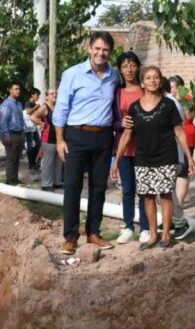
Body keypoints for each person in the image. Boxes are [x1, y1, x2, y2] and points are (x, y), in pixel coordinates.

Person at [112, 66, 195, 250]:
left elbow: (179, 131)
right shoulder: (134, 108)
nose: (152, 81)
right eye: (148, 78)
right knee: (147, 196)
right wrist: (116, 161)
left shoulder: (168, 105)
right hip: (143, 158)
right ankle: (152, 235)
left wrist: (189, 157)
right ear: (142, 83)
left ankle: (166, 235)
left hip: (166, 156)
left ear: (160, 81)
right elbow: (126, 136)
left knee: (165, 195)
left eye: (156, 77)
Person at [53, 31, 119, 255]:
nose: (101, 53)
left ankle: (93, 232)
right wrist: (60, 140)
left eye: (106, 50)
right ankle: (71, 236)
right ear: (89, 49)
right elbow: (61, 108)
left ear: (110, 52)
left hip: (104, 137)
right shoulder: (72, 74)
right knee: (72, 186)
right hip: (76, 136)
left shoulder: (114, 76)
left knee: (99, 187)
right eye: (97, 48)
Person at [112, 51, 149, 245]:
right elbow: (112, 120)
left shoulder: (146, 90)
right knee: (128, 190)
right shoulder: (117, 93)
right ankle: (127, 227)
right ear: (120, 69)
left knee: (144, 190)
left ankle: (145, 227)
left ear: (138, 67)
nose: (129, 70)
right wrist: (121, 124)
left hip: (144, 147)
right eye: (125, 66)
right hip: (124, 148)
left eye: (133, 65)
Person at [169, 75, 195, 205]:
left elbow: (189, 116)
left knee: (183, 170)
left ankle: (179, 203)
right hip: (171, 137)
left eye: (174, 87)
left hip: (186, 135)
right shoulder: (168, 99)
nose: (172, 90)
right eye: (170, 88)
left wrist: (181, 101)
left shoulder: (187, 99)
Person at [31, 88, 63, 191]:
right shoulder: (44, 107)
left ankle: (57, 182)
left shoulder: (57, 106)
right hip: (48, 139)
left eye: (56, 93)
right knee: (48, 163)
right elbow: (33, 117)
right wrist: (42, 124)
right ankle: (46, 184)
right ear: (47, 96)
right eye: (52, 94)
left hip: (58, 139)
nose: (54, 95)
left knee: (58, 162)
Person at [0, 82, 25, 185]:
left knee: (17, 157)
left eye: (19, 89)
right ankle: (9, 180)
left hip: (20, 133)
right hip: (11, 134)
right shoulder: (6, 104)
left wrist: (23, 131)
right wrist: (6, 135)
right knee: (11, 157)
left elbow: (21, 119)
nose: (18, 91)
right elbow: (3, 122)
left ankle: (15, 178)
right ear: (10, 90)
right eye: (15, 89)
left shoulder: (19, 104)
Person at [23, 88, 42, 173]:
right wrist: (36, 107)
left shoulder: (34, 103)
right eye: (37, 95)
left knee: (38, 144)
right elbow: (28, 112)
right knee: (30, 146)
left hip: (33, 126)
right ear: (32, 95)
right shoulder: (28, 103)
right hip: (28, 128)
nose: (38, 97)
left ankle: (33, 162)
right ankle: (31, 164)